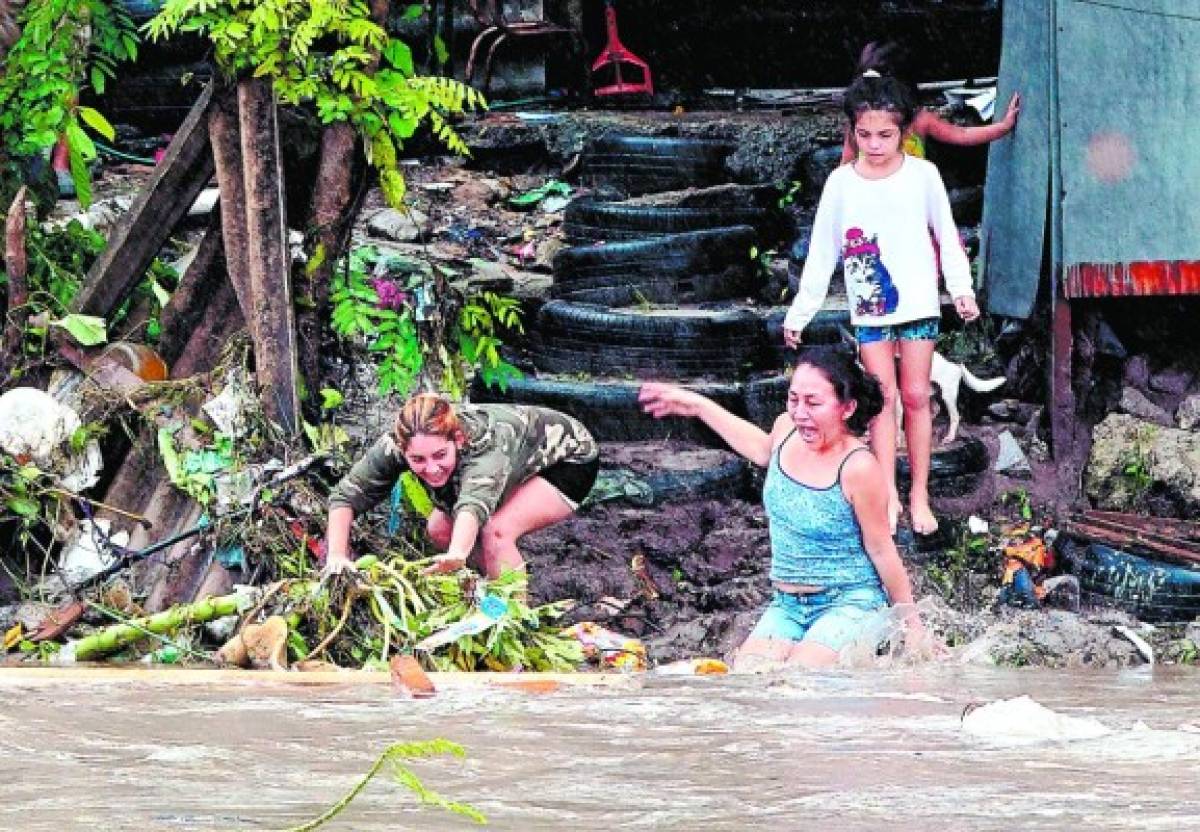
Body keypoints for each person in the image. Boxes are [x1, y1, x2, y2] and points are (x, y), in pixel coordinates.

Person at [638, 348, 933, 669]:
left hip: (851, 602)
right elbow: (761, 449)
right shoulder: (785, 430)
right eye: (793, 399)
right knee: (749, 678)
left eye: (813, 402)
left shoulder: (858, 467)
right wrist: (696, 405)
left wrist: (912, 625)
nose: (800, 412)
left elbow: (881, 550)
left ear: (847, 408)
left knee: (798, 681)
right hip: (787, 605)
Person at [783, 72, 980, 536]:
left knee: (915, 396)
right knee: (883, 399)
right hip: (870, 308)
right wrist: (800, 312)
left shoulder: (923, 176)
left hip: (918, 303)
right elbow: (822, 254)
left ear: (905, 130)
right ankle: (887, 494)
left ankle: (920, 495)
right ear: (853, 130)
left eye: (886, 135)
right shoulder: (840, 183)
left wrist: (961, 289)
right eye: (865, 134)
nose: (875, 144)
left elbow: (946, 237)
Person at [324, 394, 599, 579]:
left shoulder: (486, 446)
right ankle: (488, 587)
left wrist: (457, 554)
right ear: (402, 449)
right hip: (513, 460)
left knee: (497, 532)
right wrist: (336, 556)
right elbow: (345, 496)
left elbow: (474, 505)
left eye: (439, 456)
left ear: (457, 439)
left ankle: (514, 624)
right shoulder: (394, 445)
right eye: (418, 460)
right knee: (440, 530)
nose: (431, 468)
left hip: (567, 461)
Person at [839, 41, 1021, 164]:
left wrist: (1003, 127)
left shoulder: (920, 120)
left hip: (910, 207)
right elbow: (844, 170)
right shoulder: (856, 123)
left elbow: (962, 134)